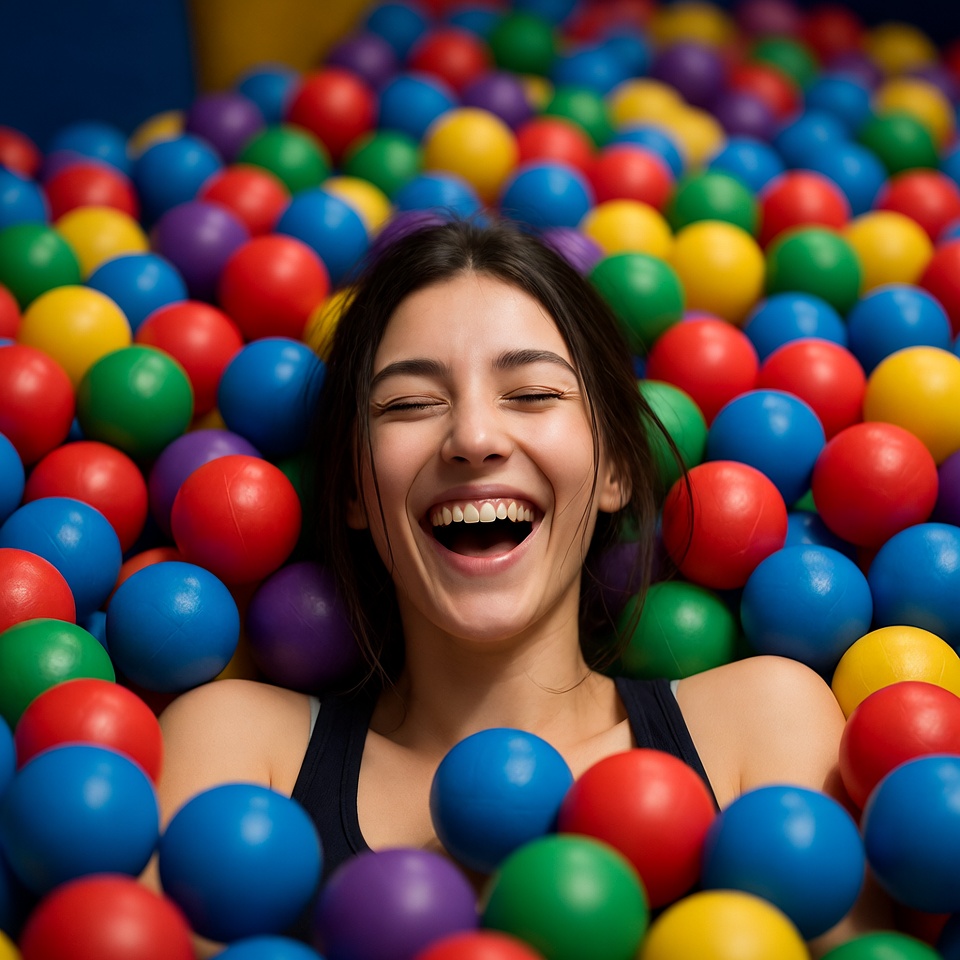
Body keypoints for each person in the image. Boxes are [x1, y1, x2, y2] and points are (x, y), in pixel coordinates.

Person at [154, 218, 889, 953]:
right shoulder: (242, 750)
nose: (474, 437)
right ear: (353, 486)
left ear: (614, 470)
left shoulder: (758, 725)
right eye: (409, 403)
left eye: (533, 393)